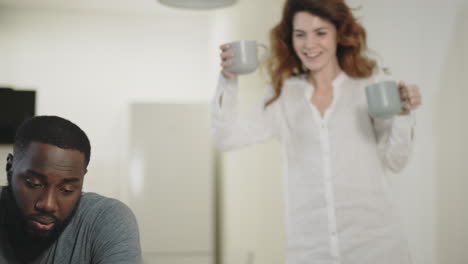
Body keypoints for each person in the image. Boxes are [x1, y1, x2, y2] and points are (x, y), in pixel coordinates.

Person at [212, 0, 422, 263]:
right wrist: (228, 80)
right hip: (310, 250)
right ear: (290, 39)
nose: (309, 45)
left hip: (376, 247)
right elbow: (225, 138)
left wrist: (403, 115)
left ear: (338, 34)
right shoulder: (284, 96)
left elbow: (395, 161)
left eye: (320, 33)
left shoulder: (369, 86)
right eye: (300, 34)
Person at [0, 115, 143, 264]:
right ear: (10, 167)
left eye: (67, 190)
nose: (48, 204)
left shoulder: (105, 219)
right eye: (34, 184)